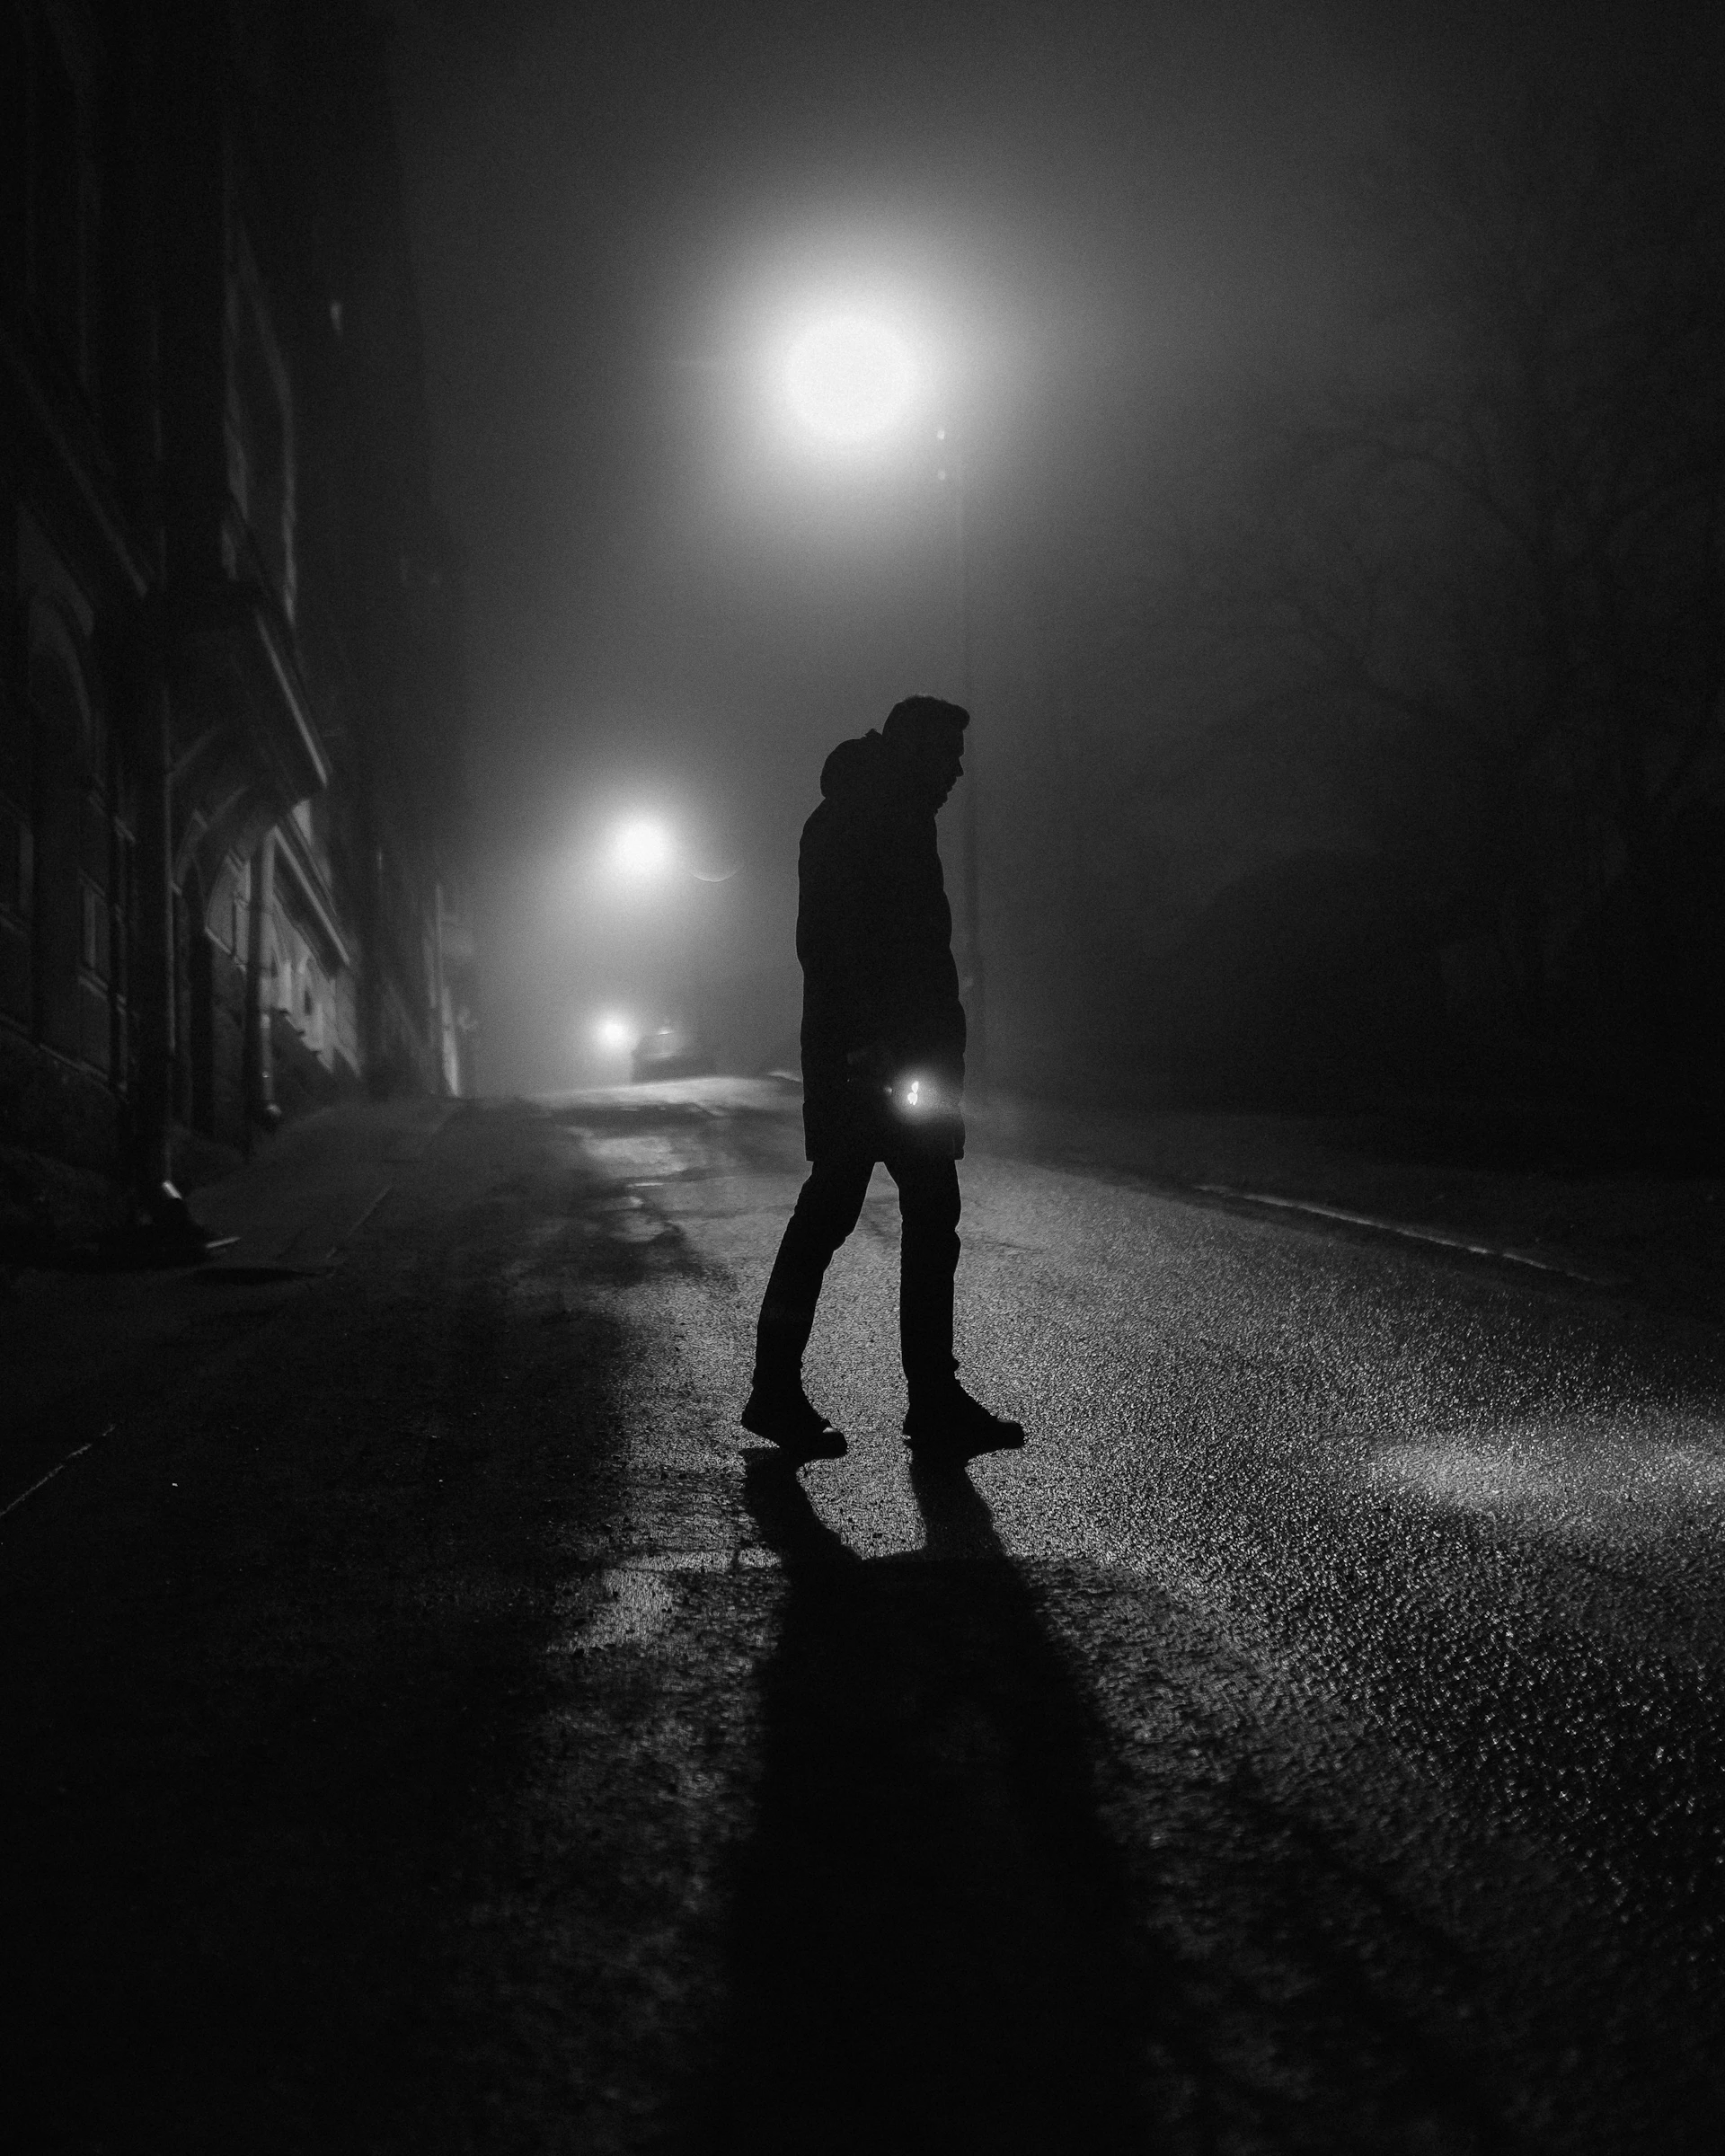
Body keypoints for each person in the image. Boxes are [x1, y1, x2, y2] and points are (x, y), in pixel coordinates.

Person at [741, 695, 1024, 1458]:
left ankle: (905, 1396)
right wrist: (868, 1045)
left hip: (896, 1060)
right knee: (851, 1216)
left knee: (903, 1216)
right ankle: (807, 1392)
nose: (959, 771)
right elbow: (833, 947)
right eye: (949, 754)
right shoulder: (863, 821)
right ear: (917, 750)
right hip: (874, 1063)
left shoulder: (880, 816)